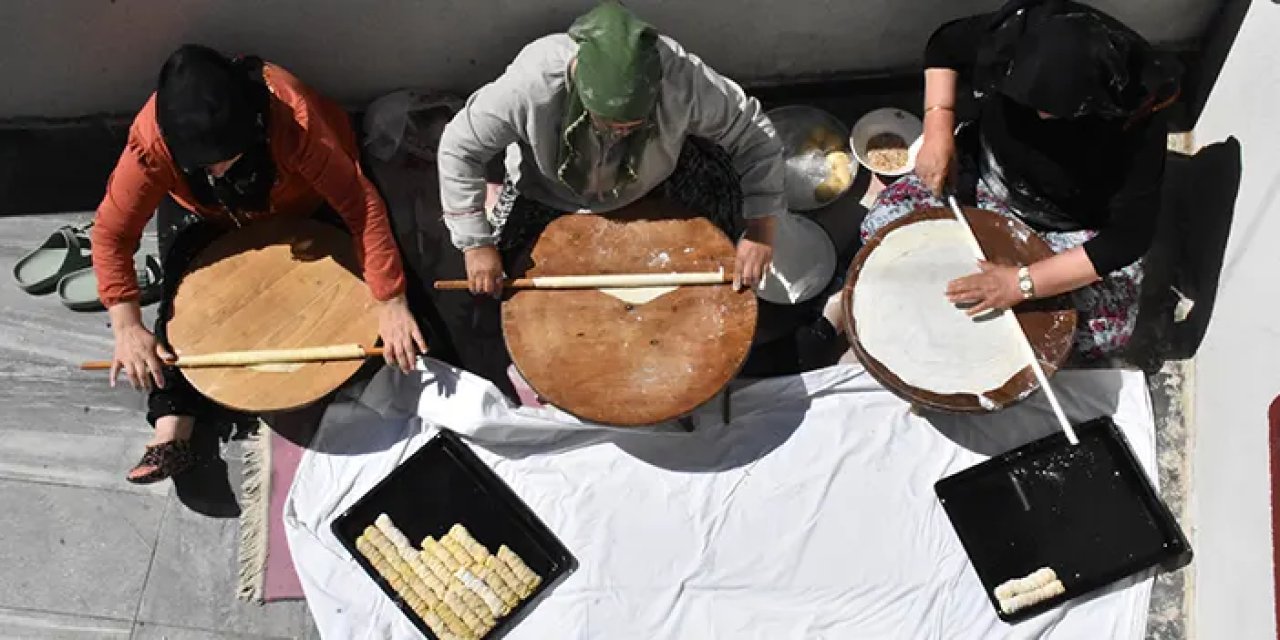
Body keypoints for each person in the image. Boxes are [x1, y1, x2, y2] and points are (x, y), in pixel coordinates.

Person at [92, 45, 426, 483]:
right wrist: (125, 326)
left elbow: (359, 206)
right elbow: (111, 234)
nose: (214, 170)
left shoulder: (295, 118)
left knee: (380, 283)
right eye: (203, 164)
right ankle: (174, 422)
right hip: (218, 217)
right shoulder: (151, 144)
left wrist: (391, 299)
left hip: (304, 203)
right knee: (179, 289)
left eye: (222, 159)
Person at [860, 0, 1180, 361]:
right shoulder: (1020, 34)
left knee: (1104, 331)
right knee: (881, 226)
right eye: (1030, 103)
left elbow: (1127, 239)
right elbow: (945, 46)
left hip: (1067, 227)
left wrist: (1021, 283)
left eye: (1056, 114)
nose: (1041, 117)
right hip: (983, 178)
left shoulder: (1136, 114)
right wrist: (938, 127)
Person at [437, 0, 785, 296]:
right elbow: (458, 149)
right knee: (508, 287)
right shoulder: (531, 85)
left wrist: (760, 229)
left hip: (651, 180)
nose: (619, 134)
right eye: (607, 122)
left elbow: (754, 135)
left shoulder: (682, 79)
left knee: (720, 236)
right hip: (546, 192)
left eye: (632, 126)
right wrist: (476, 245)